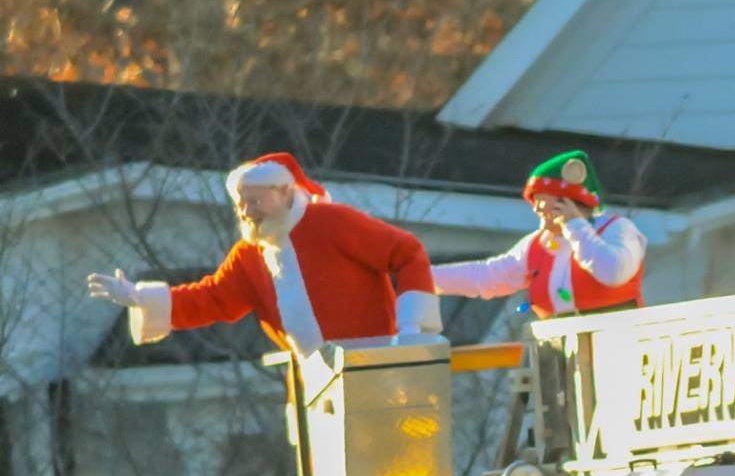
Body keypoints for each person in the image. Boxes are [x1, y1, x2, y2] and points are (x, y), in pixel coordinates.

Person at [85, 152, 439, 361]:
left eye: (255, 202)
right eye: (241, 205)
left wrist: (411, 331)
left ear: (285, 194)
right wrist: (141, 299)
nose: (247, 212)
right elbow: (212, 299)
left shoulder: (332, 222)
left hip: (377, 365)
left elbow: (406, 253)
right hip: (314, 386)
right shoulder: (248, 256)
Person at [431, 150, 646, 318]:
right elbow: (487, 277)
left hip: (618, 348)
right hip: (558, 360)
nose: (536, 208)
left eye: (542, 199)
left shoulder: (617, 229)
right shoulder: (537, 244)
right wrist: (423, 276)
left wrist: (575, 225)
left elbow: (614, 272)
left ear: (568, 200)